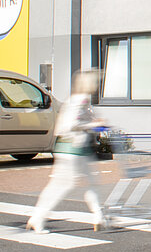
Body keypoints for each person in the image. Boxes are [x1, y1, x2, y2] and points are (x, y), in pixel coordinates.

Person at [26, 68, 109, 233]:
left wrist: (95, 122)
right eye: (95, 82)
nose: (97, 86)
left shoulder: (75, 100)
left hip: (70, 148)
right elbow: (73, 124)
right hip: (74, 149)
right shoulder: (82, 100)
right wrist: (94, 125)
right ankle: (38, 218)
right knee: (65, 185)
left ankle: (99, 216)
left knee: (88, 181)